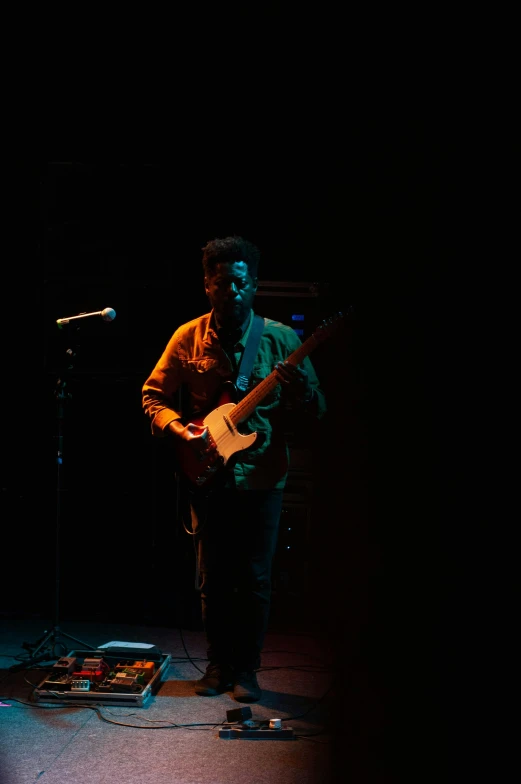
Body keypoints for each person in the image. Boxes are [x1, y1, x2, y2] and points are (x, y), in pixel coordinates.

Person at [141, 235, 327, 702]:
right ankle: (218, 666)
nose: (233, 293)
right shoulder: (188, 336)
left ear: (254, 284)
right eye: (223, 283)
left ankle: (248, 669)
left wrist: (301, 387)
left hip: (263, 477)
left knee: (256, 578)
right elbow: (153, 396)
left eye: (242, 284)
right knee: (213, 578)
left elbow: (319, 412)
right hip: (209, 474)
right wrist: (182, 431)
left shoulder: (283, 339)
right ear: (207, 284)